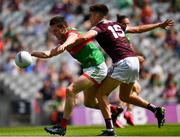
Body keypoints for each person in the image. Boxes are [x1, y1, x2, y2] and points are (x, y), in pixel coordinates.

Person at [48, 4, 173, 136]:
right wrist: (159, 25)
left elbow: (85, 37)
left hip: (122, 62)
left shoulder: (99, 27)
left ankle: (110, 129)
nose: (90, 18)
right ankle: (156, 110)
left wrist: (68, 41)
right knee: (125, 96)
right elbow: (138, 29)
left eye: (91, 15)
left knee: (101, 95)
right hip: (134, 61)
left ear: (97, 15)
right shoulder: (116, 24)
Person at [31, 16, 123, 136]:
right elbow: (48, 54)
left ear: (63, 27)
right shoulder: (63, 40)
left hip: (97, 67)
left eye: (55, 31)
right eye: (52, 31)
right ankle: (114, 110)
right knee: (89, 103)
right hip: (89, 68)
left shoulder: (72, 33)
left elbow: (72, 38)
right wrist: (31, 54)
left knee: (70, 90)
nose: (53, 34)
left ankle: (62, 127)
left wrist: (65, 45)